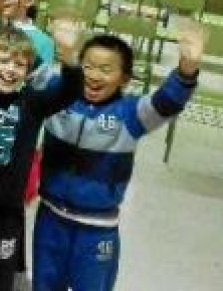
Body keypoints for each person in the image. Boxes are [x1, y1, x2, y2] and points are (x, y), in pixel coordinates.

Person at [32, 24, 203, 290]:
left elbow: (166, 102)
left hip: (96, 230)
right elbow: (20, 67)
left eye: (105, 69)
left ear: (124, 79)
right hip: (50, 220)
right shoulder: (58, 97)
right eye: (87, 66)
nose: (93, 75)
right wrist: (65, 50)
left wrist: (186, 70)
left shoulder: (130, 114)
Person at [0, 22, 82, 291]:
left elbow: (71, 91)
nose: (10, 69)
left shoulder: (33, 102)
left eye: (19, 64)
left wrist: (69, 54)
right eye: (3, 61)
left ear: (28, 71)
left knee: (0, 280)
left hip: (5, 216)